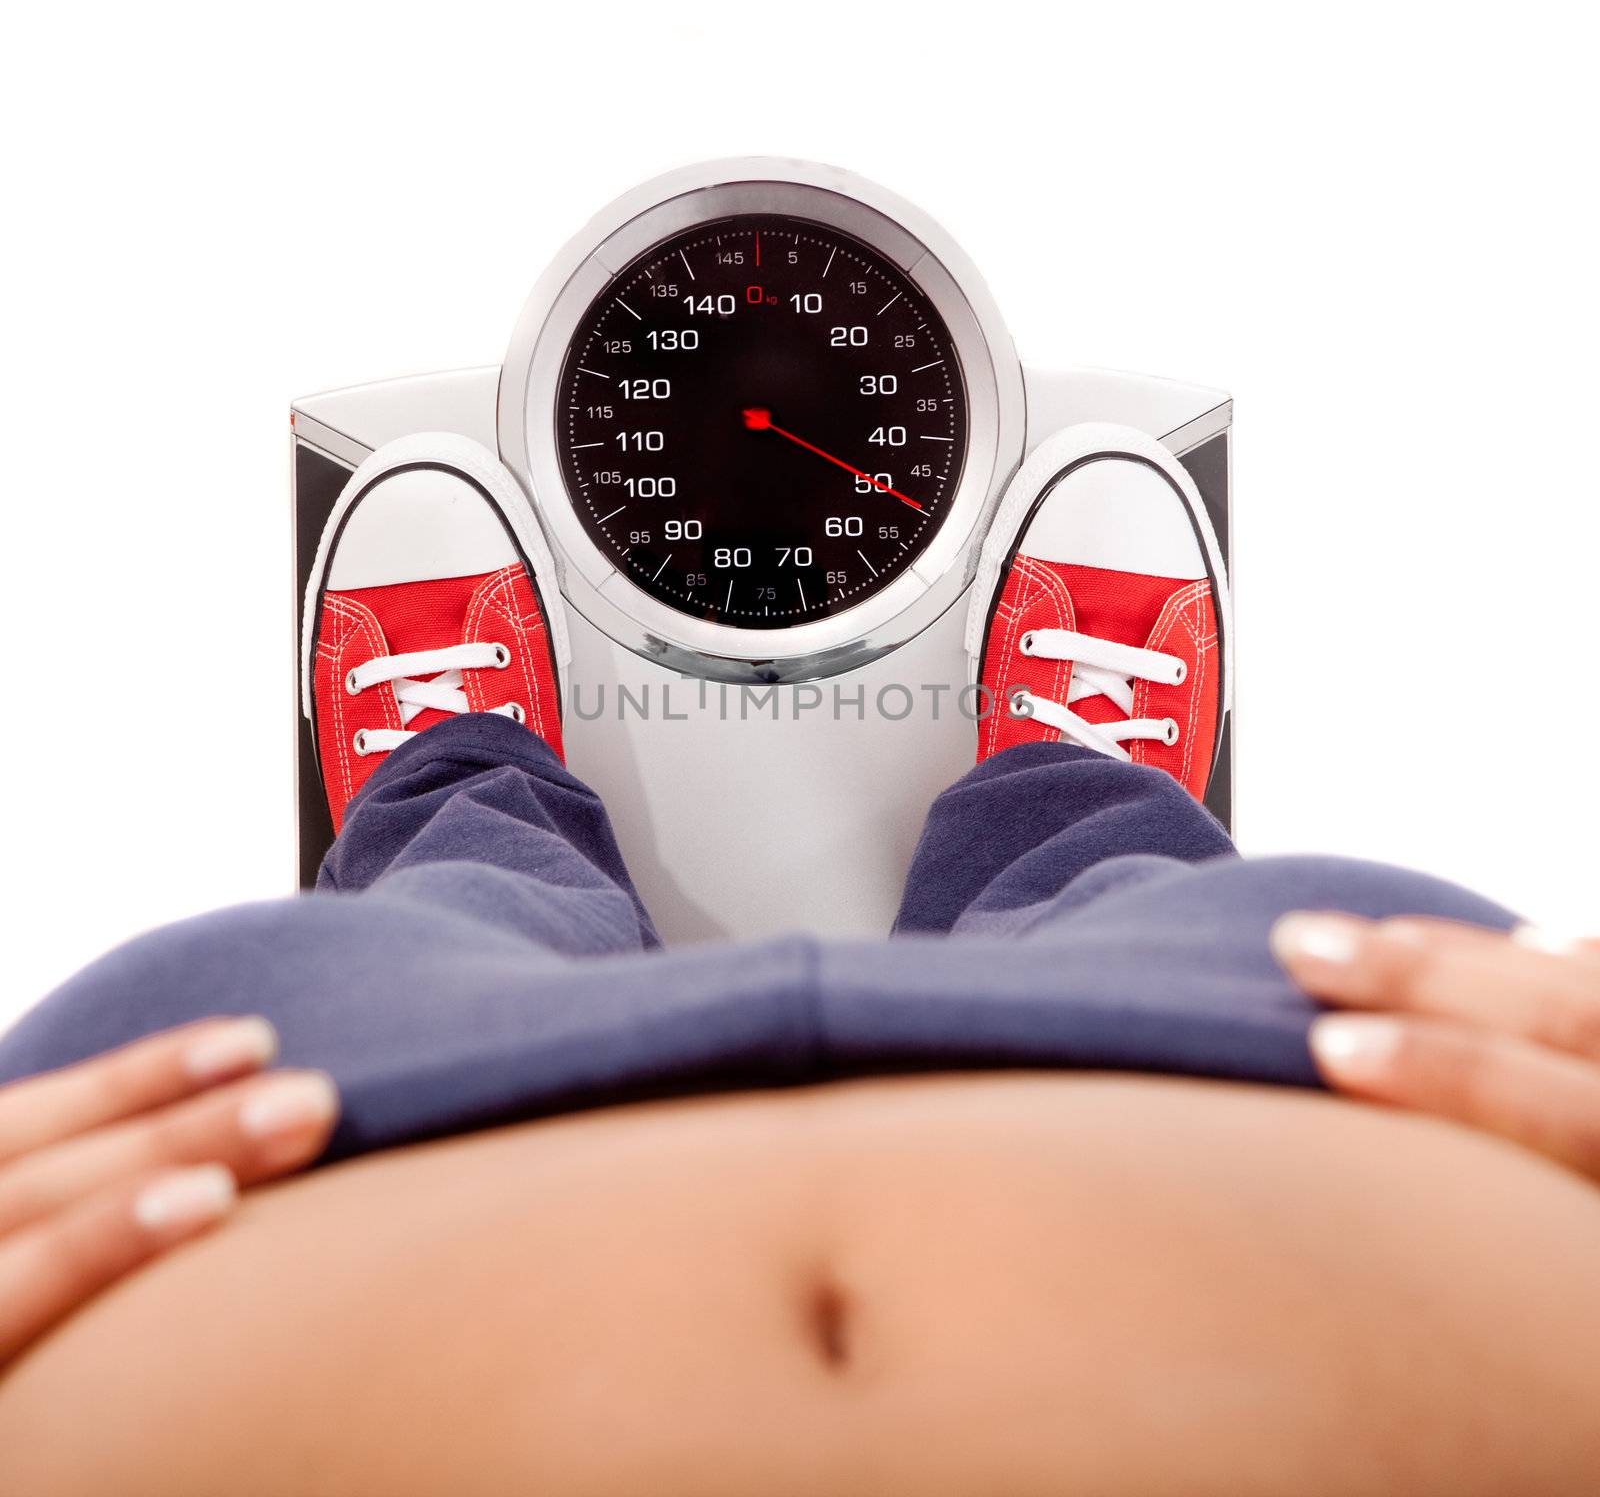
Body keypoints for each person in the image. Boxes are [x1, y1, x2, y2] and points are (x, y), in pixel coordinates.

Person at [1, 428, 1597, 1493]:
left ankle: (454, 791)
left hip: (291, 1122)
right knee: (1134, 877)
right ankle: (1082, 793)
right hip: (1278, 1057)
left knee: (450, 907)